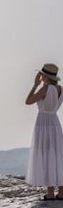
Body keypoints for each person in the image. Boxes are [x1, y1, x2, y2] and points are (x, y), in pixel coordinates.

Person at [25, 64, 63, 200]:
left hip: (43, 124)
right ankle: (61, 192)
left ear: (45, 76)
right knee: (57, 155)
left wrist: (35, 85)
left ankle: (51, 193)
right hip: (55, 123)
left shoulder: (45, 88)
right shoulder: (60, 89)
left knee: (47, 155)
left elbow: (28, 101)